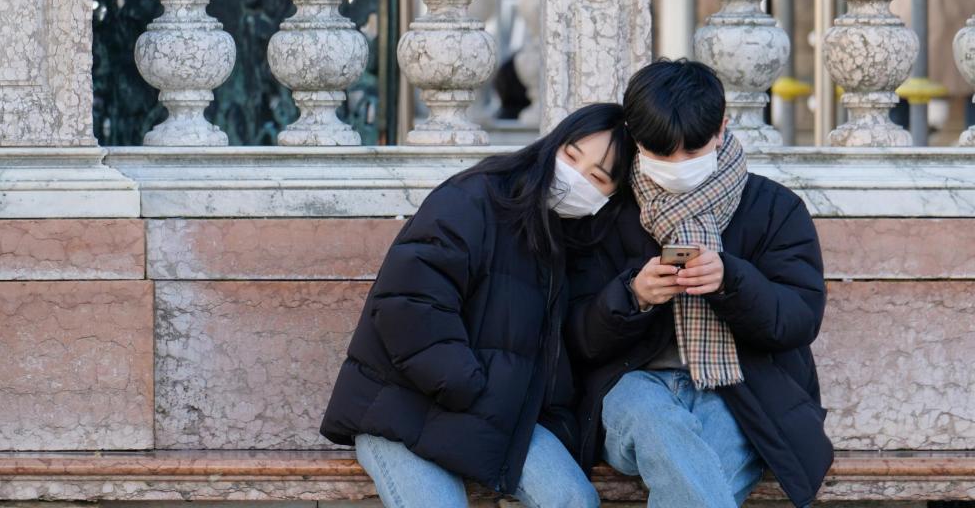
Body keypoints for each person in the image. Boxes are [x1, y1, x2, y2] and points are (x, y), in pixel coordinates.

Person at [321, 103, 635, 508]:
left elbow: (560, 354)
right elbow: (409, 304)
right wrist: (468, 389)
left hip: (496, 417)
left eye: (596, 176)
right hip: (402, 405)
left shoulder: (573, 237)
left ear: (612, 195)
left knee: (574, 500)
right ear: (552, 143)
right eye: (571, 155)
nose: (575, 177)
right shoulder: (475, 197)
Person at [565, 60, 832, 508]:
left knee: (700, 468)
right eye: (661, 152)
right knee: (659, 426)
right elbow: (572, 335)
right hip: (631, 386)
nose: (677, 166)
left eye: (692, 152)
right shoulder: (606, 209)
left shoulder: (774, 208)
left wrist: (731, 280)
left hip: (742, 391)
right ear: (635, 136)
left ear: (722, 128)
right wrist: (632, 297)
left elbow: (798, 321)